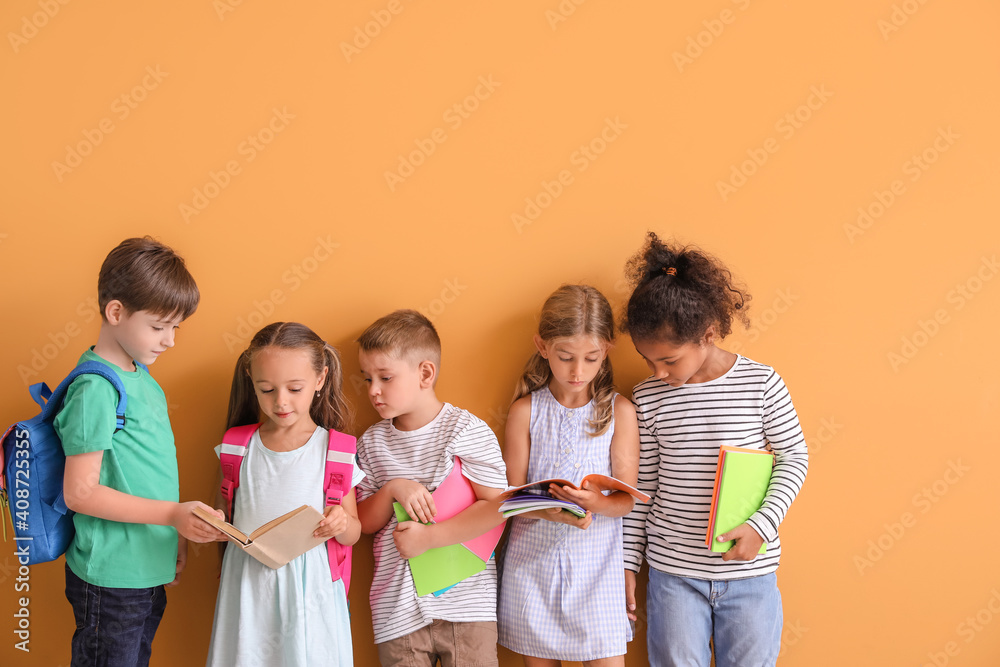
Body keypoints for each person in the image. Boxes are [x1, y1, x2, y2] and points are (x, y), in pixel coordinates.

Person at [620, 233, 809, 667]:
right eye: (647, 360)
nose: (658, 372)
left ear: (707, 335)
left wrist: (761, 525)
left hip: (750, 575)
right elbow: (640, 488)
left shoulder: (761, 383)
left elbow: (793, 459)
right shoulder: (647, 397)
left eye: (668, 361)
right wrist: (629, 564)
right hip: (673, 575)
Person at [57, 236, 224, 667]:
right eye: (158, 326)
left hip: (146, 566)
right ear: (116, 312)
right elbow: (80, 493)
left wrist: (173, 536)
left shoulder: (143, 378)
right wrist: (171, 516)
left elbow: (149, 472)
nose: (169, 340)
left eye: (176, 328)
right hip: (112, 577)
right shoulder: (95, 388)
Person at [355, 309, 508, 667]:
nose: (373, 391)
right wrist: (393, 488)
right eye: (367, 379)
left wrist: (429, 538)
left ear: (425, 373)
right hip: (397, 611)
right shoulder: (371, 443)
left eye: (385, 377)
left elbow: (499, 507)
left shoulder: (466, 430)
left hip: (468, 606)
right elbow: (363, 522)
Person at [497, 285, 640, 667]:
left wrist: (595, 503)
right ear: (543, 347)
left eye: (591, 358)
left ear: (607, 349)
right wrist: (548, 509)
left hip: (598, 573)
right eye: (565, 357)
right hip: (533, 570)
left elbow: (628, 499)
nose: (578, 371)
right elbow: (509, 498)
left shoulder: (619, 412)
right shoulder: (525, 411)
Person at [206, 322, 362, 666]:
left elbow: (353, 532)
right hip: (247, 584)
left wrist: (341, 523)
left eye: (295, 388)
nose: (281, 402)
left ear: (320, 379)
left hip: (311, 590)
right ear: (251, 380)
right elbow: (223, 512)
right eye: (266, 389)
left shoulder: (334, 451)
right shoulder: (236, 446)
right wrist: (214, 523)